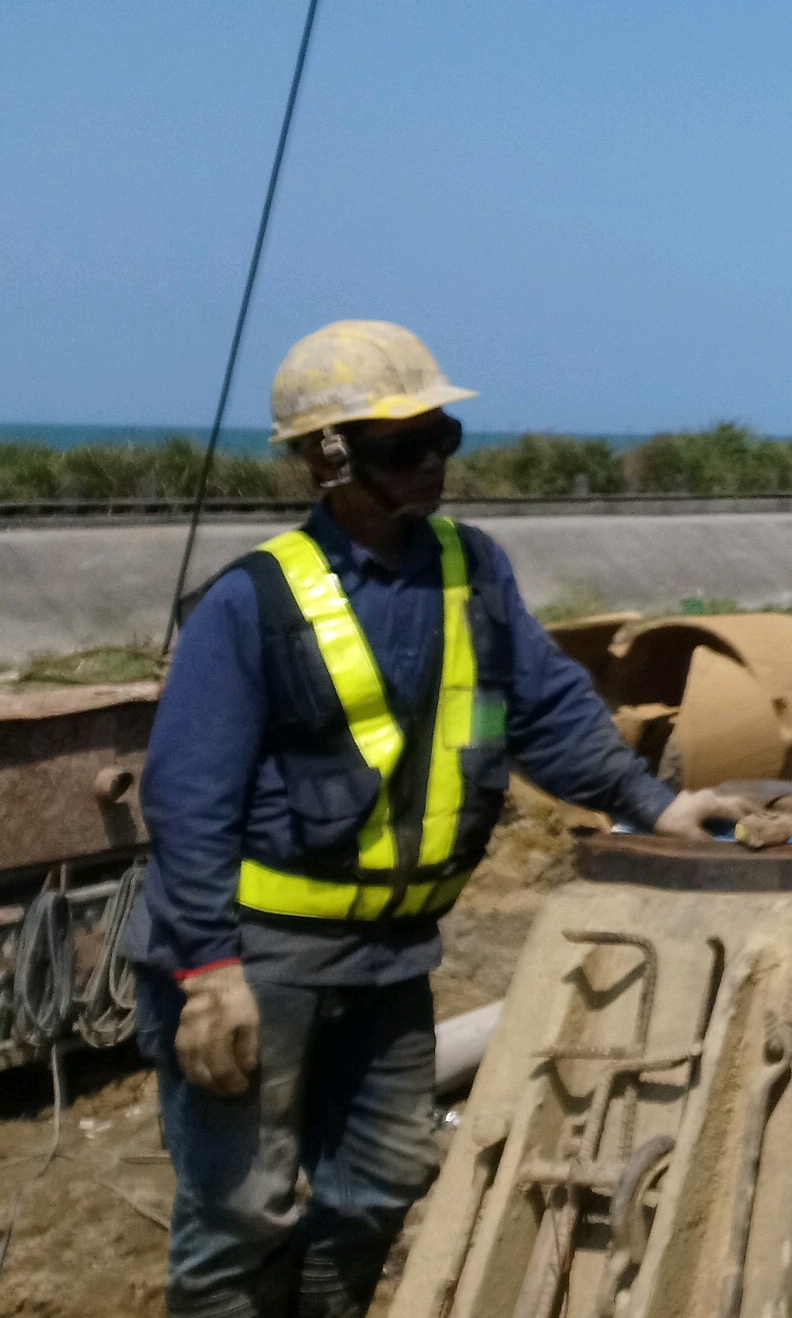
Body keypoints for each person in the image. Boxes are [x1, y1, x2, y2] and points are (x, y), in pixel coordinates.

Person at [136, 320, 744, 1318]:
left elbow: (547, 710)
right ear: (329, 460)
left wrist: (658, 804)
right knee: (240, 1213)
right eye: (400, 448)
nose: (432, 467)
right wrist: (207, 972)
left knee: (378, 1185)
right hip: (260, 955)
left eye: (441, 440)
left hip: (391, 959)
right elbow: (188, 797)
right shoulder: (253, 602)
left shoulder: (473, 571)